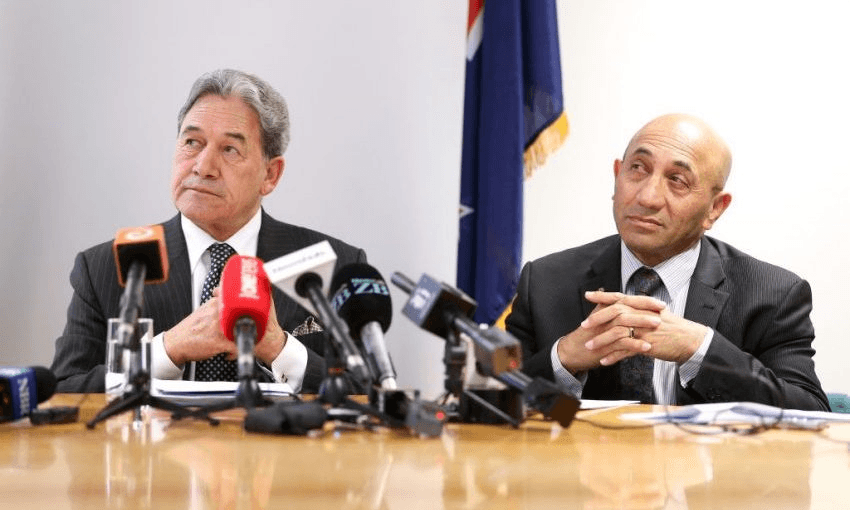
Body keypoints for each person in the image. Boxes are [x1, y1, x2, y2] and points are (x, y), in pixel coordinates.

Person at [50, 69, 366, 393]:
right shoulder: (106, 268)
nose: (203, 167)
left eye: (229, 149)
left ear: (270, 174)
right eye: (192, 142)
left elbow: (371, 394)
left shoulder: (335, 266)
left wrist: (279, 348)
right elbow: (63, 393)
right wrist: (167, 350)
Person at [505, 113, 829, 411]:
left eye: (677, 180)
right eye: (638, 168)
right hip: (580, 457)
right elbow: (491, 408)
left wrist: (700, 350)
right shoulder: (545, 282)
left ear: (715, 209)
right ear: (617, 177)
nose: (647, 197)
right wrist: (563, 360)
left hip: (704, 458)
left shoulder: (772, 295)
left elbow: (811, 413)